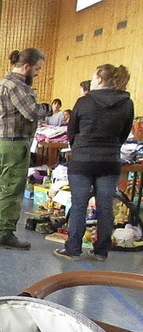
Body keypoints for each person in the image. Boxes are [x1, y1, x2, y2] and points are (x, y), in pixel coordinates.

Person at [55, 64, 134, 262]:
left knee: (79, 204)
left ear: (99, 79)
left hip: (82, 159)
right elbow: (124, 133)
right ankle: (101, 250)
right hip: (109, 161)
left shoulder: (84, 102)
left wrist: (80, 147)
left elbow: (72, 131)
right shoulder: (127, 103)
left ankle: (73, 249)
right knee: (105, 205)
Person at [0, 48, 51, 250]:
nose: (38, 73)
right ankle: (5, 233)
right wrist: (47, 109)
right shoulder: (17, 86)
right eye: (37, 69)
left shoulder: (1, 84)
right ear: (26, 67)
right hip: (14, 144)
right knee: (12, 188)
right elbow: (31, 112)